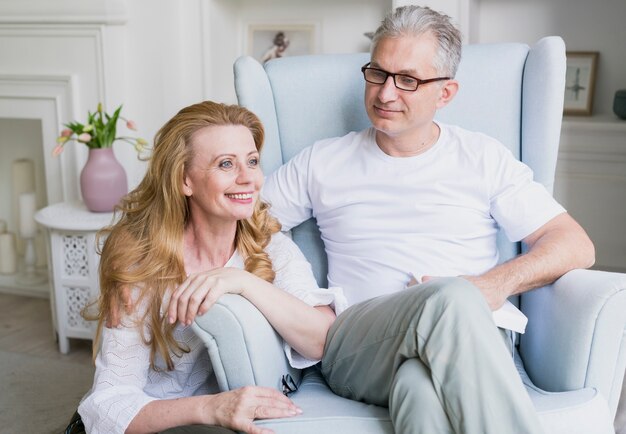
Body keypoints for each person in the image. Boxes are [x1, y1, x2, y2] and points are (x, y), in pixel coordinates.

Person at [261, 6, 595, 434]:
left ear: (446, 93)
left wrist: (492, 285)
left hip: (473, 336)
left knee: (420, 388)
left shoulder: (482, 157)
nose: (385, 94)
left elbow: (573, 243)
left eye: (408, 80)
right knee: (450, 297)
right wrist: (303, 292)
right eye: (377, 73)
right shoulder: (322, 161)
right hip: (358, 348)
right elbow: (245, 223)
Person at [71, 101, 345, 434]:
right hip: (157, 422)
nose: (247, 178)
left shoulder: (270, 245)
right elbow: (108, 402)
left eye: (253, 161)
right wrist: (211, 407)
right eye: (226, 164)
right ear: (185, 180)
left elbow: (322, 340)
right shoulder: (140, 260)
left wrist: (242, 282)